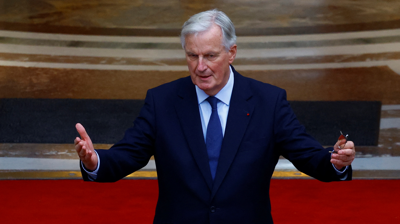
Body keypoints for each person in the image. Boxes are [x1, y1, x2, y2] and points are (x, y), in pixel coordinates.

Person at [74, 9, 355, 223]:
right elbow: (128, 155)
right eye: (192, 56)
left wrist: (336, 161)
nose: (200, 66)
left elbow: (309, 157)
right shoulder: (162, 101)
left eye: (210, 55)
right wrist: (94, 160)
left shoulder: (268, 101)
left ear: (231, 53)